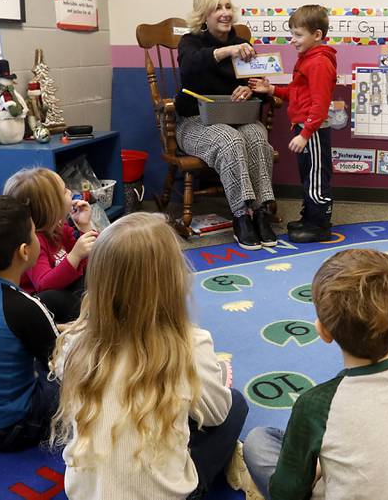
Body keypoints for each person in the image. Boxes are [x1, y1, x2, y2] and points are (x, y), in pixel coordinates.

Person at [50, 212, 248, 500]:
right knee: (237, 404)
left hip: (85, 495)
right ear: (173, 281)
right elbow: (217, 413)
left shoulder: (75, 342)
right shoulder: (189, 343)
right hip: (167, 494)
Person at [241, 249, 388, 500]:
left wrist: (318, 469)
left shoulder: (316, 405)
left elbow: (287, 493)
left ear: (323, 331)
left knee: (258, 440)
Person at [175, 0, 277, 250]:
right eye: (217, 8)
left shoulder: (243, 44)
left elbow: (259, 89)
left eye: (228, 6)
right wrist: (226, 52)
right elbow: (189, 67)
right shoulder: (190, 41)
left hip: (237, 116)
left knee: (256, 135)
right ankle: (242, 215)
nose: (225, 13)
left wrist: (250, 88)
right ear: (204, 16)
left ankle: (262, 211)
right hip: (196, 122)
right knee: (230, 140)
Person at [0, 196, 60, 451]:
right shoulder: (24, 307)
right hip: (13, 428)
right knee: (73, 373)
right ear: (24, 250)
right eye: (34, 232)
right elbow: (62, 362)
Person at [250, 4, 337, 243]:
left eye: (298, 35)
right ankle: (310, 217)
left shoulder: (319, 63)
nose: (292, 40)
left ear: (316, 35)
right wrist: (272, 89)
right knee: (309, 176)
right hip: (306, 128)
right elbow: (299, 94)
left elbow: (319, 104)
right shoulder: (308, 60)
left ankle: (320, 225)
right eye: (292, 34)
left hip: (314, 131)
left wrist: (306, 133)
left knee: (316, 178)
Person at [3, 167, 97, 322]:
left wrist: (85, 227)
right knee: (50, 297)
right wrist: (74, 255)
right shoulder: (33, 243)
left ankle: (98, 308)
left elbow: (91, 261)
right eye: (65, 190)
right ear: (51, 206)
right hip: (46, 302)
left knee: (97, 274)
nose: (70, 192)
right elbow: (43, 285)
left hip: (70, 289)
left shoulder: (60, 228)